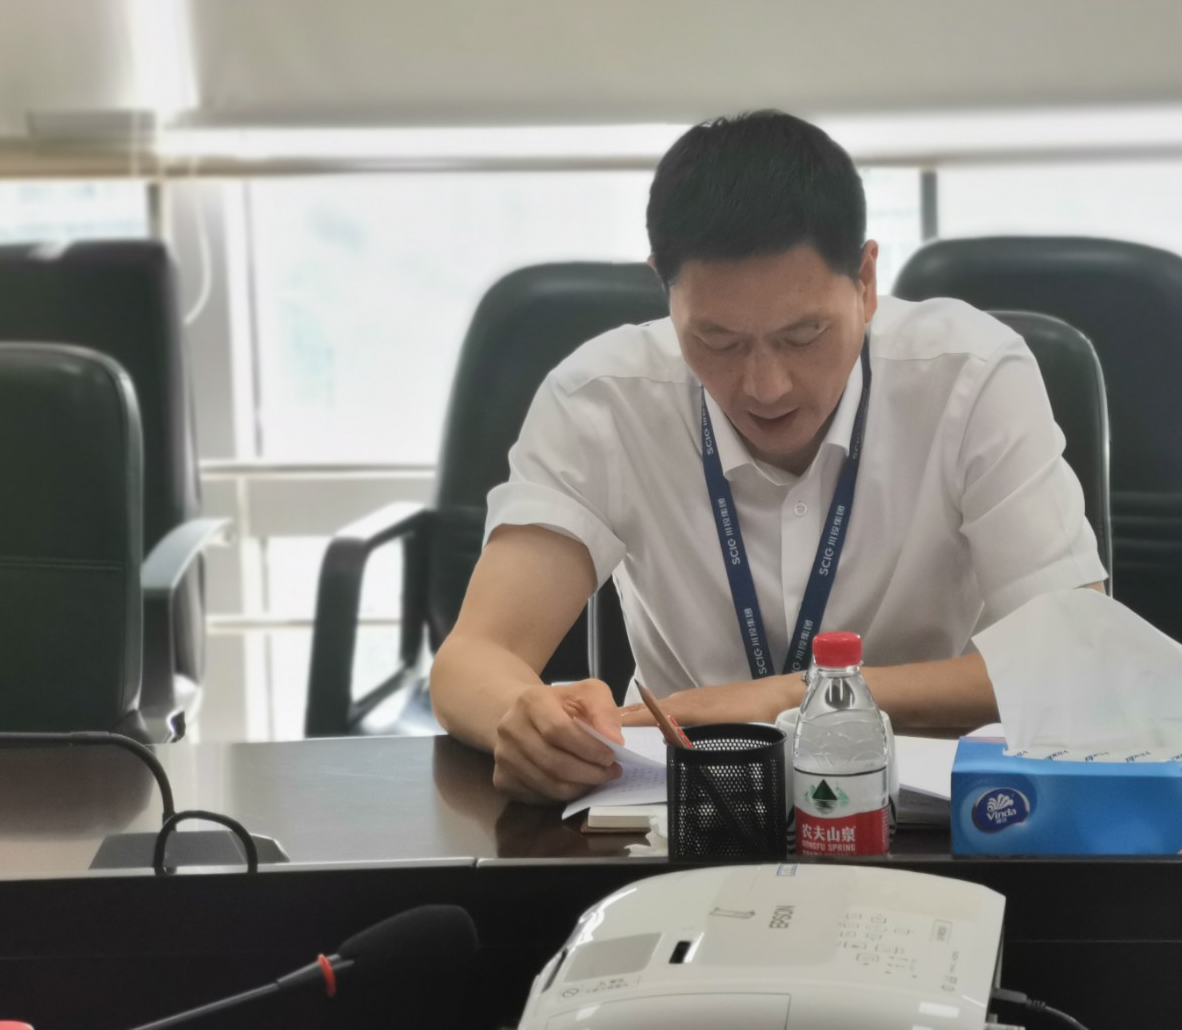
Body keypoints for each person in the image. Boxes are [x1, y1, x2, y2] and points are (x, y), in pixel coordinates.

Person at [430, 111, 1106, 802]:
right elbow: (473, 658)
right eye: (718, 341)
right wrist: (524, 720)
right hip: (683, 804)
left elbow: (1076, 658)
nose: (766, 386)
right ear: (664, 287)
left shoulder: (971, 377)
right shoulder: (600, 400)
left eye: (803, 335)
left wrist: (789, 697)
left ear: (866, 281)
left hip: (925, 807)